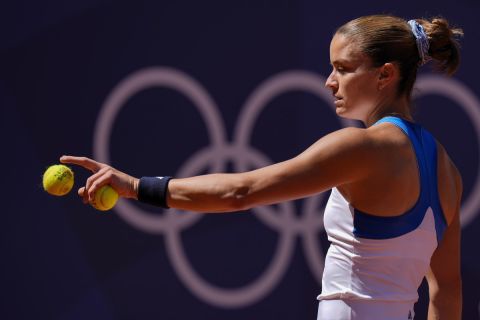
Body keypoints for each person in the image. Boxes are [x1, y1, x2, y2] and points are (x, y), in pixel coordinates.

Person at [61, 14, 463, 320]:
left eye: (343, 68)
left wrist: (135, 186)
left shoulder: (359, 148)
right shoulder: (447, 168)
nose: (329, 81)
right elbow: (446, 290)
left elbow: (242, 192)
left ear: (385, 75)